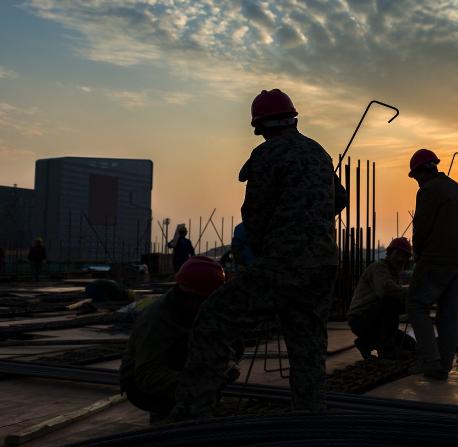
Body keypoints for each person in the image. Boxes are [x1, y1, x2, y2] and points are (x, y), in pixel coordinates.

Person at [169, 88, 346, 420]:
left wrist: (267, 252)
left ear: (261, 126)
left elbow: (255, 216)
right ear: (292, 119)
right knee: (307, 342)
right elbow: (340, 198)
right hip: (323, 265)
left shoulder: (268, 155)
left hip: (283, 263)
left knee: (213, 319)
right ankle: (309, 414)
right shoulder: (318, 153)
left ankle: (192, 414)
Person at [119, 256, 232, 423]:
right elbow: (147, 376)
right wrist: (198, 382)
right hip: (143, 386)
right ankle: (166, 413)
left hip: (180, 375)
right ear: (190, 294)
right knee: (183, 349)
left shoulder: (196, 308)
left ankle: (195, 401)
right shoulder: (157, 320)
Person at [406, 149, 458, 380]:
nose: (417, 182)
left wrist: (418, 255)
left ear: (423, 171)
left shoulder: (429, 190)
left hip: (437, 258)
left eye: (415, 177)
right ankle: (444, 364)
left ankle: (431, 361)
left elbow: (421, 227)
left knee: (416, 304)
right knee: (448, 313)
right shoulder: (456, 187)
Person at [347, 237, 416, 360]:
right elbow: (385, 291)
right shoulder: (379, 268)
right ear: (389, 253)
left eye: (404, 256)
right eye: (398, 254)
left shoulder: (394, 274)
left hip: (374, 320)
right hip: (361, 319)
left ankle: (365, 342)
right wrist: (410, 293)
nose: (401, 259)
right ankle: (386, 350)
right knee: (391, 301)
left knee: (411, 345)